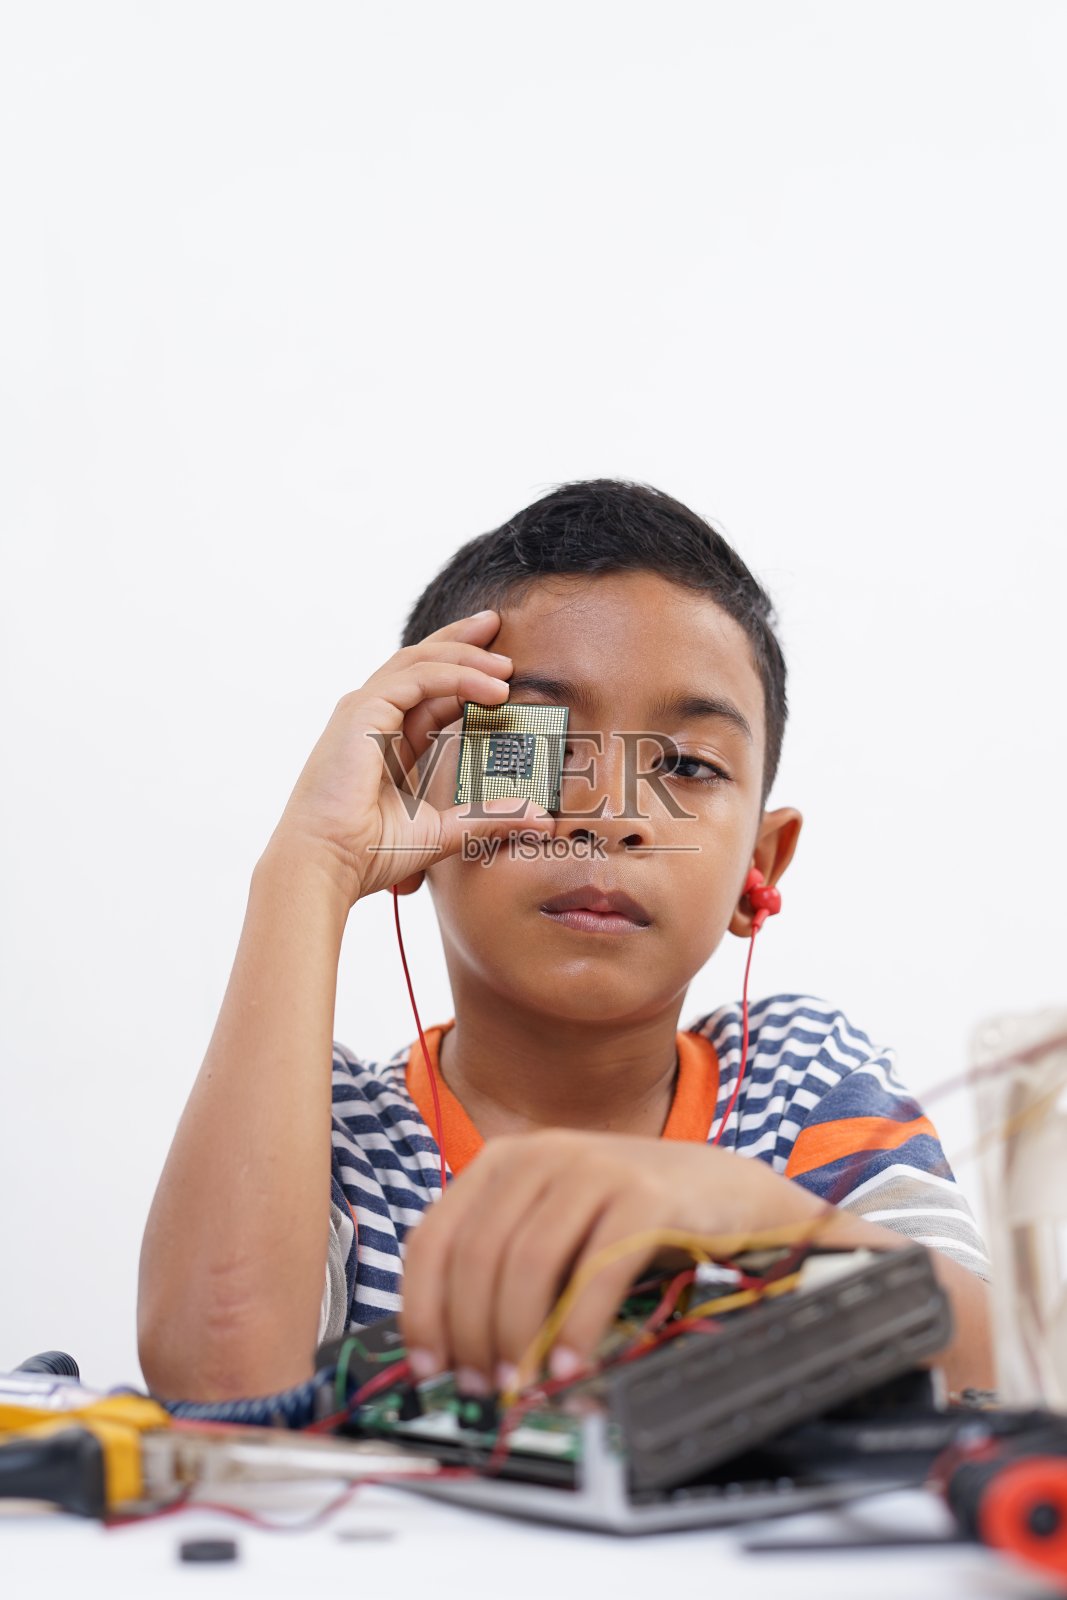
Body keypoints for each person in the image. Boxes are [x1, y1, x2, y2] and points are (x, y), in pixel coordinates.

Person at [137, 479, 992, 1404]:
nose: (609, 815)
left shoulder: (800, 1086)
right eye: (530, 751)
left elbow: (1011, 1374)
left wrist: (745, 1210)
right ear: (415, 808)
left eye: (687, 766)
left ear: (762, 864)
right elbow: (219, 1382)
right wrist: (308, 867)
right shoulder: (331, 1136)